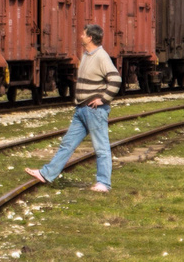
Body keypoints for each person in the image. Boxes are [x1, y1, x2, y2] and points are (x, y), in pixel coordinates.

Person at [26, 23, 121, 192]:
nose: (81, 37)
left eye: (84, 34)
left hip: (94, 110)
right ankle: (46, 174)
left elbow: (116, 80)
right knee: (67, 144)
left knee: (101, 147)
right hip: (82, 109)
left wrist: (104, 99)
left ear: (91, 37)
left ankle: (104, 183)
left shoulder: (101, 56)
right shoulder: (86, 55)